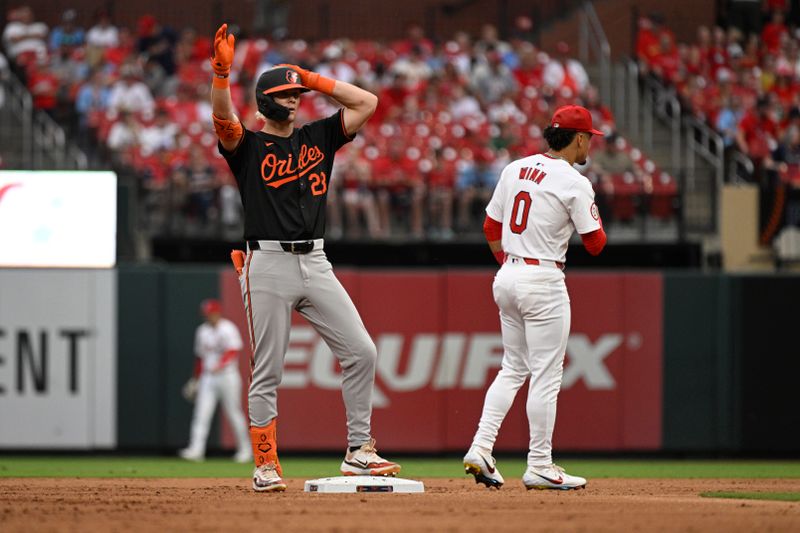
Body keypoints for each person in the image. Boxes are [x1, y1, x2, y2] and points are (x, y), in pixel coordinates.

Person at [209, 23, 400, 492]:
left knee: (362, 351)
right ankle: (266, 463)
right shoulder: (249, 147)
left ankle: (359, 451)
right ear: (268, 100)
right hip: (267, 262)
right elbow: (222, 122)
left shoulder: (317, 137)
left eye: (297, 95)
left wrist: (309, 78)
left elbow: (367, 103)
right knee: (268, 368)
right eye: (287, 94)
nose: (295, 100)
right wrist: (220, 75)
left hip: (315, 262)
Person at [463, 105, 607, 490]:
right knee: (546, 375)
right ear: (578, 139)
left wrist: (511, 263)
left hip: (507, 273)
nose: (590, 144)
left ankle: (480, 446)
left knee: (513, 368)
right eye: (589, 138)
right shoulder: (574, 181)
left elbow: (490, 225)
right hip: (542, 278)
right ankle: (540, 463)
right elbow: (596, 244)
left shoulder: (514, 168)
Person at [179, 299, 252, 463]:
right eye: (206, 314)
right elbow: (199, 358)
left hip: (227, 375)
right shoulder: (202, 331)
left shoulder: (228, 328)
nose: (209, 316)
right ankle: (196, 449)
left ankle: (245, 450)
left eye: (211, 313)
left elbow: (233, 351)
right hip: (208, 377)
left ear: (217, 312)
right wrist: (195, 379)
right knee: (201, 413)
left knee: (234, 413)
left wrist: (220, 365)